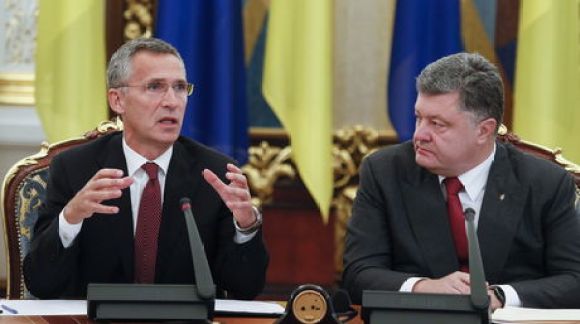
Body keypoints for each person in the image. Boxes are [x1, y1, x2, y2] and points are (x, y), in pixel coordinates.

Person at [23, 38, 269, 299]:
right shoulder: (75, 168)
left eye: (180, 87)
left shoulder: (214, 174)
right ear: (118, 100)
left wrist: (246, 227)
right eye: (155, 87)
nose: (172, 102)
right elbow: (40, 283)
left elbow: (246, 289)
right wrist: (70, 218)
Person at [342, 52, 580, 310]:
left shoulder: (545, 183)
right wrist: (423, 287)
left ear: (484, 130)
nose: (420, 134)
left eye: (437, 124)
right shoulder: (384, 172)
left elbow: (574, 280)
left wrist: (500, 297)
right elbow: (358, 273)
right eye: (418, 117)